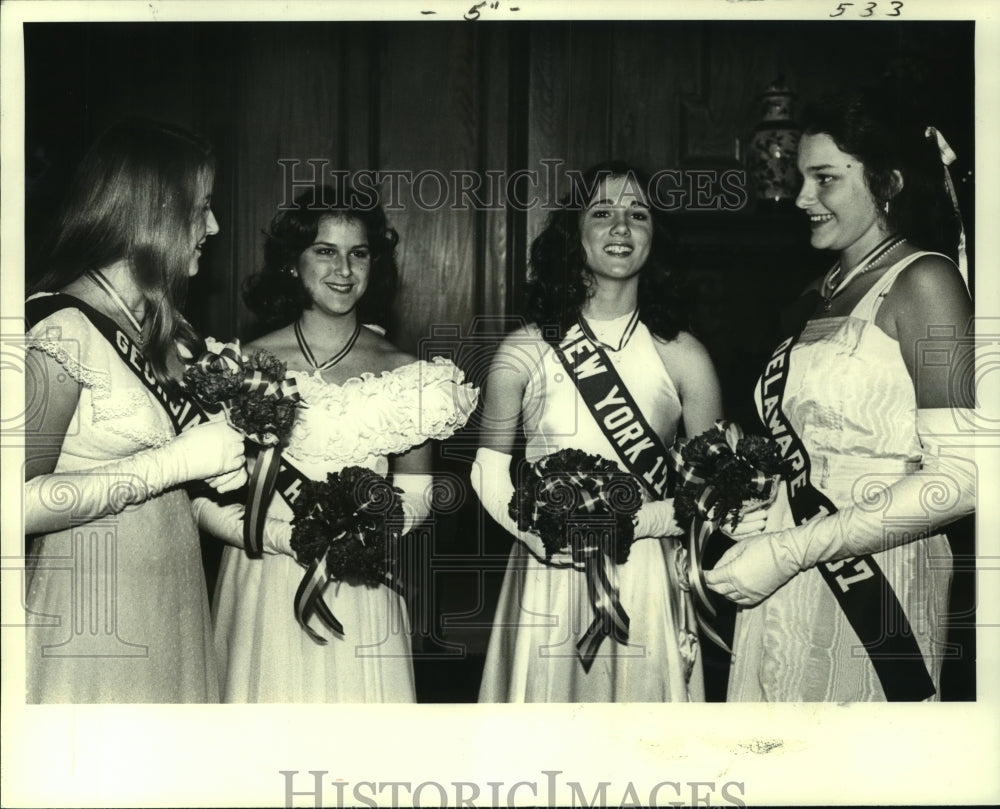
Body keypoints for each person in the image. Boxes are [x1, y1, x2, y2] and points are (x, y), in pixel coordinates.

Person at [705, 88, 976, 701]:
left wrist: (795, 549)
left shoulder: (927, 282)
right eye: (803, 178)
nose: (802, 198)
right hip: (782, 556)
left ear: (889, 182)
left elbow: (964, 479)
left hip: (877, 569)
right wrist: (758, 502)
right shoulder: (821, 290)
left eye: (824, 178)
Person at [196, 186, 478, 702]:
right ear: (292, 262)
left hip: (360, 583)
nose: (343, 270)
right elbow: (201, 503)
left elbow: (417, 496)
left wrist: (366, 532)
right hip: (262, 577)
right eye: (325, 251)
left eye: (359, 252)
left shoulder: (409, 376)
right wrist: (285, 536)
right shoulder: (238, 366)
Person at [472, 161, 725, 702]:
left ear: (655, 238)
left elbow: (713, 488)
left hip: (647, 569)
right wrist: (541, 535)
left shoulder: (685, 355)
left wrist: (637, 522)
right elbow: (488, 474)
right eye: (602, 212)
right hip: (546, 566)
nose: (621, 228)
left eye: (638, 215)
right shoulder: (524, 349)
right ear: (574, 232)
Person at [23, 118, 247, 703]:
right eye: (202, 208)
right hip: (94, 611)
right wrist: (175, 463)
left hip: (171, 598)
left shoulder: (163, 331)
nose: (215, 226)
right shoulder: (63, 330)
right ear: (155, 212)